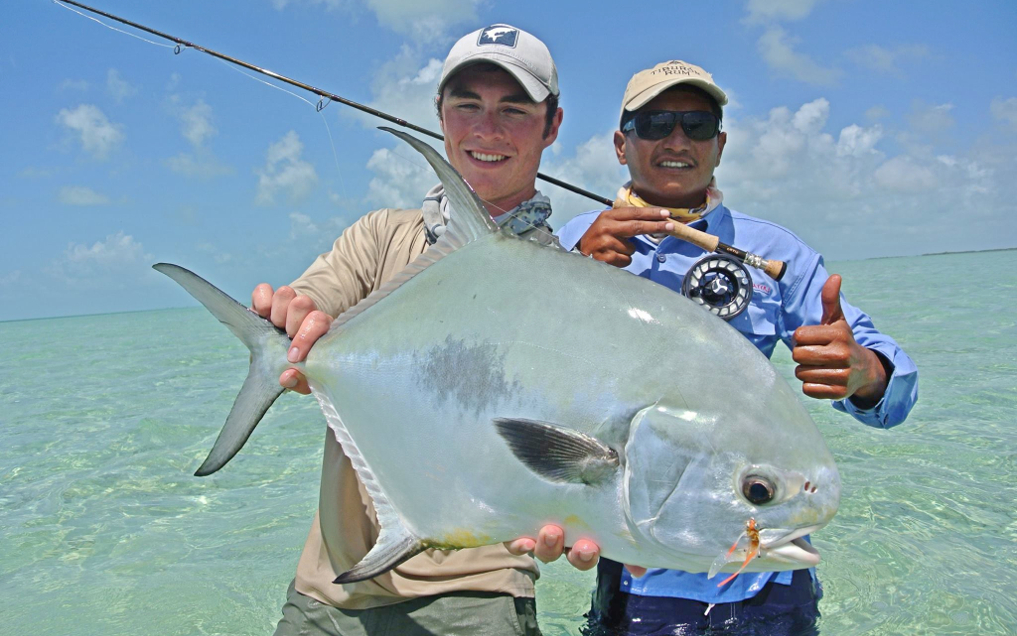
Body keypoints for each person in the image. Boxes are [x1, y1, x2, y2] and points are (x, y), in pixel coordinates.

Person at [551, 60, 920, 634]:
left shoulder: (775, 252)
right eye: (656, 123)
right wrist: (572, 275)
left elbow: (891, 389)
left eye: (697, 126)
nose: (677, 141)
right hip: (641, 569)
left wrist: (864, 374)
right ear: (621, 145)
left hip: (767, 572)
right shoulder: (574, 241)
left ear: (720, 145)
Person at [255, 24, 597, 636]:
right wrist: (292, 317)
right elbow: (317, 298)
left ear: (552, 126)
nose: (486, 129)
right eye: (467, 105)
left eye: (513, 109)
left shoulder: (570, 283)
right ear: (440, 115)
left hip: (479, 590)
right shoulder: (383, 236)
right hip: (330, 586)